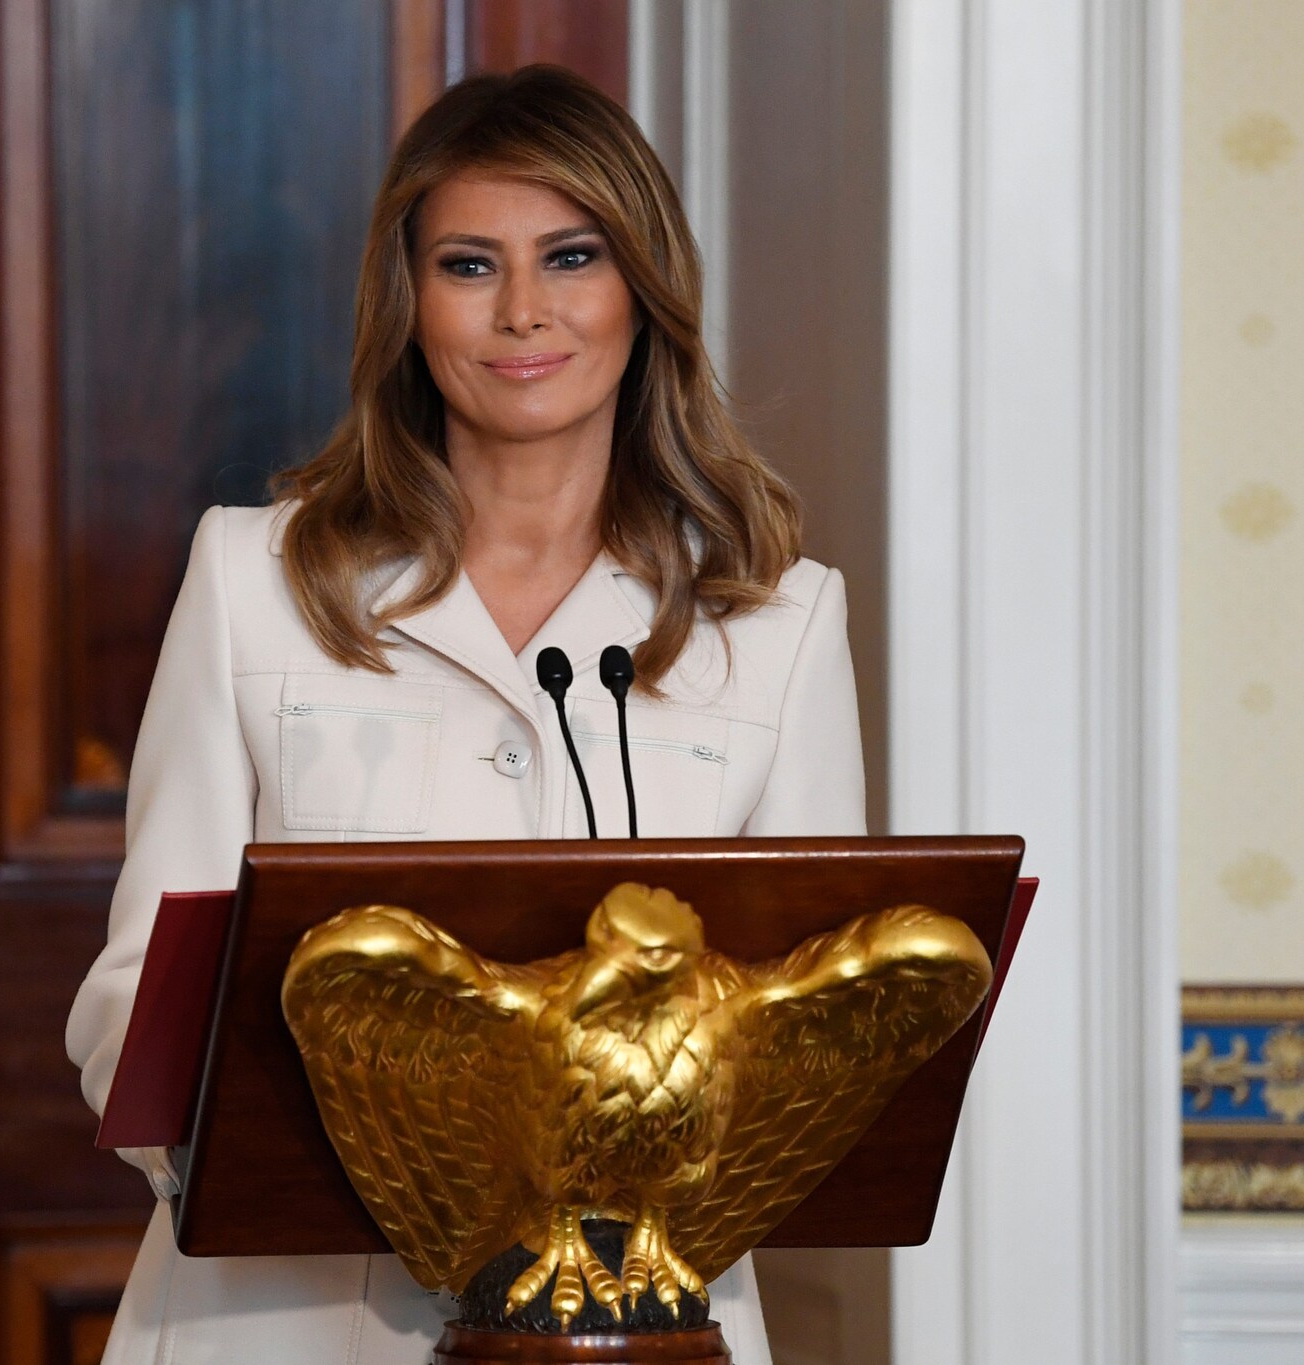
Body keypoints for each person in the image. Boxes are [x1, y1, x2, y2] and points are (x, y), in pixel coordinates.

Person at [66, 63, 863, 1365]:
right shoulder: (253, 580)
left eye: (571, 256)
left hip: (638, 1328)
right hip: (283, 1319)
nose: (524, 311)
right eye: (470, 265)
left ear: (644, 288)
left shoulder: (778, 622)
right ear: (410, 300)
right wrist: (273, 1156)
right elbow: (135, 998)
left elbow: (800, 1049)